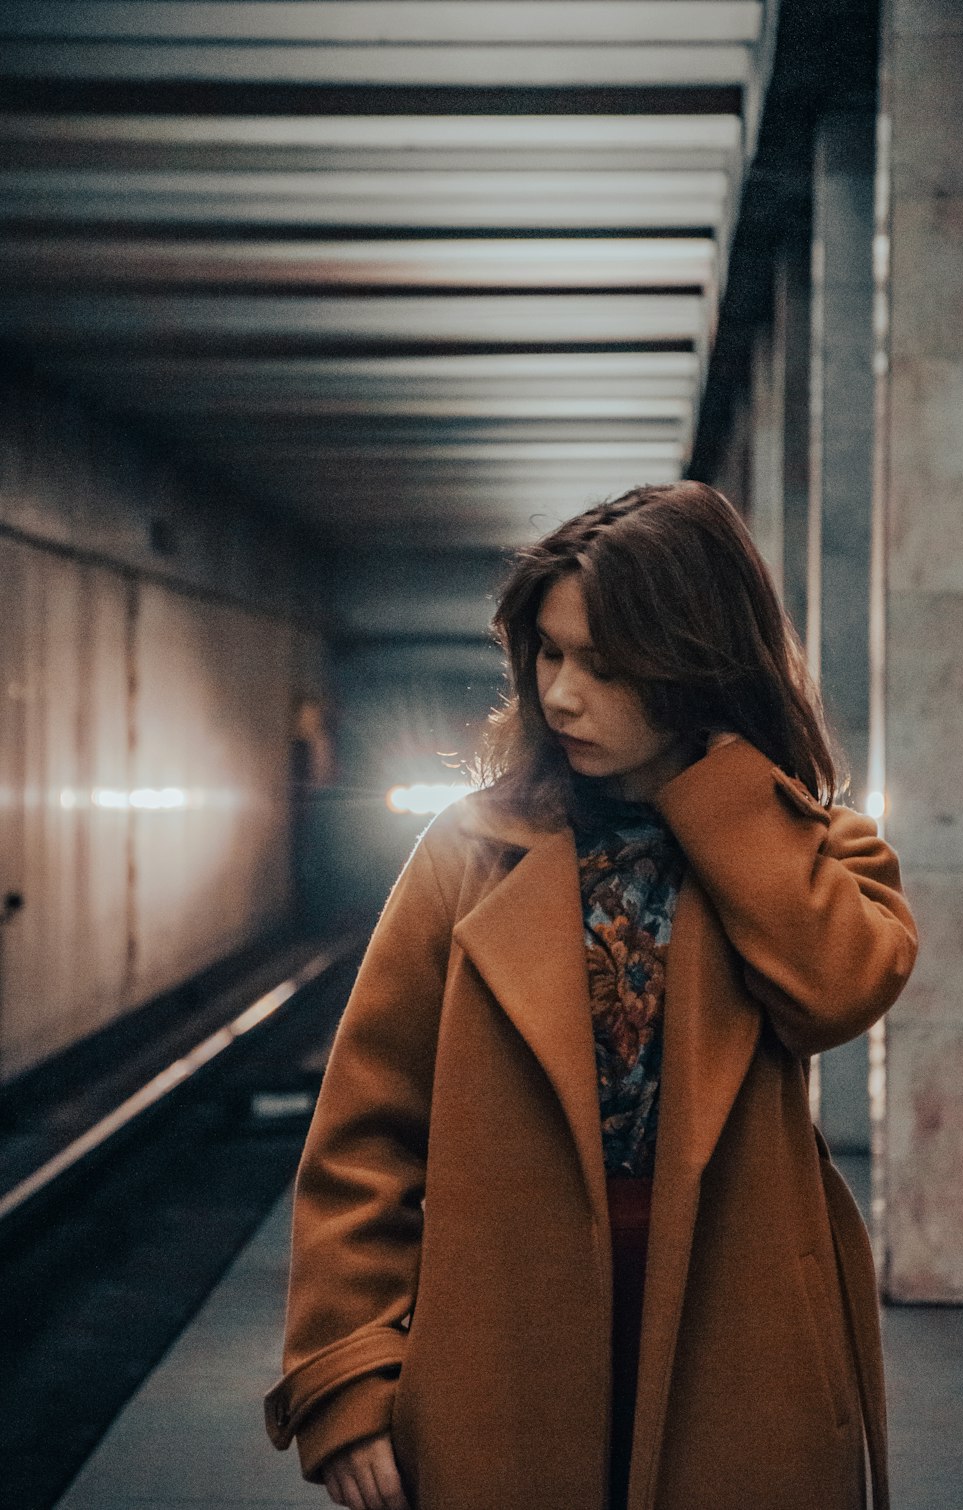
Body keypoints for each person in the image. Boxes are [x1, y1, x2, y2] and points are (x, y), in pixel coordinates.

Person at [264, 482, 918, 1510]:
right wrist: (347, 1378)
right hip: (503, 1347)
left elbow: (836, 989)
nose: (561, 693)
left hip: (735, 1345)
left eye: (606, 666)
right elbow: (364, 1138)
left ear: (695, 665)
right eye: (550, 652)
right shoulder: (469, 856)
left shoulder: (808, 846)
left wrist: (717, 790)